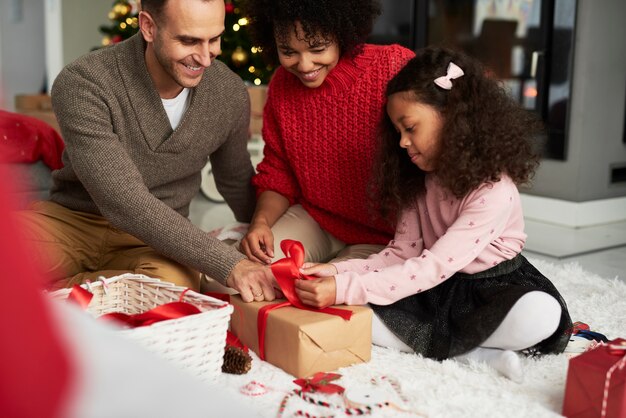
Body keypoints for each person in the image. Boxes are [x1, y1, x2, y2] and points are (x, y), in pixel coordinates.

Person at [298, 47, 573, 382]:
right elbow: (402, 255)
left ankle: (465, 349)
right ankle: (479, 356)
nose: (402, 142)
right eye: (397, 131)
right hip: (438, 286)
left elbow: (433, 267)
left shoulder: (494, 191)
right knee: (363, 310)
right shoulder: (420, 181)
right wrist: (336, 271)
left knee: (542, 315)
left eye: (410, 128)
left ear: (454, 120)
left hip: (491, 288)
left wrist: (344, 288)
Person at [14, 0, 276, 302]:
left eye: (214, 39)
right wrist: (229, 264)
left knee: (171, 294)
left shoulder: (228, 92)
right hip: (73, 221)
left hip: (159, 241)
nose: (205, 58)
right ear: (148, 27)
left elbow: (235, 179)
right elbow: (123, 199)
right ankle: (67, 300)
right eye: (189, 40)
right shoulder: (83, 81)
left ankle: (45, 298)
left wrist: (265, 236)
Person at [240, 0, 415, 266]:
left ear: (341, 33)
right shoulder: (281, 86)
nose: (304, 65)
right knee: (238, 273)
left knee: (327, 294)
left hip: (387, 235)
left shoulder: (392, 65)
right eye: (288, 51)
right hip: (317, 218)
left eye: (317, 48)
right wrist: (260, 223)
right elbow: (277, 173)